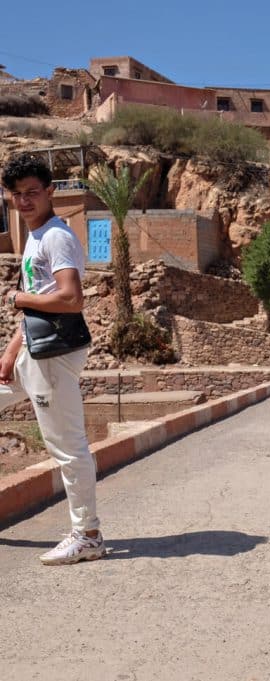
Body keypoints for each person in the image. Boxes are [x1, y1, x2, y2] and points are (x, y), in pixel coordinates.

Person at [0, 153, 104, 565]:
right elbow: (36, 309)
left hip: (52, 357)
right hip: (31, 352)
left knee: (66, 446)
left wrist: (16, 297)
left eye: (32, 193)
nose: (24, 201)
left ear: (49, 192)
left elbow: (70, 297)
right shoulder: (34, 235)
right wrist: (11, 350)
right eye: (16, 195)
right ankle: (86, 533)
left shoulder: (56, 236)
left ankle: (88, 534)